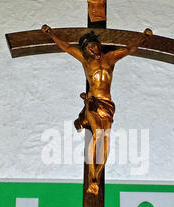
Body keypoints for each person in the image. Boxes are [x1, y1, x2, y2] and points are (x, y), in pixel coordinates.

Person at [42, 25, 152, 194]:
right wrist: (51, 34)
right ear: (85, 51)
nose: (91, 49)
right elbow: (67, 47)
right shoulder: (86, 61)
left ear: (98, 45)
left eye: (93, 45)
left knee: (106, 137)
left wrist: (144, 37)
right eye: (88, 48)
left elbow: (129, 49)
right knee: (98, 134)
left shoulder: (110, 58)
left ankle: (97, 177)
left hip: (107, 104)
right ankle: (92, 176)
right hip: (92, 102)